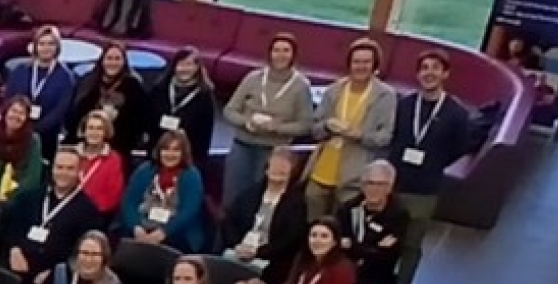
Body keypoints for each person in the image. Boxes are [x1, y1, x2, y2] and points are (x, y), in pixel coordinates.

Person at [391, 49, 470, 284]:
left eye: (435, 68)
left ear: (445, 74)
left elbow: (460, 147)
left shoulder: (456, 112)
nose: (429, 73)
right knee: (386, 239)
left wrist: (434, 162)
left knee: (411, 245)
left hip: (424, 190)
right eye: (424, 68)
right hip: (395, 184)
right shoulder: (404, 105)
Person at [307, 37, 395, 220]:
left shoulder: (385, 95)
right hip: (322, 169)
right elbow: (314, 129)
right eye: (356, 62)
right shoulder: (333, 90)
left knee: (343, 223)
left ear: (374, 65)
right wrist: (327, 126)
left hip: (355, 175)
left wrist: (359, 135)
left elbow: (385, 137)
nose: (361, 66)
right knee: (313, 221)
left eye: (366, 62)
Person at [225, 32, 316, 208]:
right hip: (243, 146)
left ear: (293, 55)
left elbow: (305, 125)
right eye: (276, 50)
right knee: (232, 197)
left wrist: (277, 128)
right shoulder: (253, 78)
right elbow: (229, 110)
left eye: (286, 50)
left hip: (274, 151)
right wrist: (246, 122)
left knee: (262, 199)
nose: (280, 55)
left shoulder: (301, 86)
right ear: (270, 53)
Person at [6, 149, 102, 284]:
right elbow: (11, 228)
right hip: (15, 267)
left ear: (79, 172)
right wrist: (14, 249)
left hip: (53, 277)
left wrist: (55, 272)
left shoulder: (89, 211)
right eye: (59, 167)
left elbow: (80, 253)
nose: (63, 173)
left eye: (70, 168)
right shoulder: (28, 198)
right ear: (52, 169)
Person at [220, 147, 309, 284]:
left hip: (271, 260)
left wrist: (258, 252)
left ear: (292, 172)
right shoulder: (249, 194)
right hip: (238, 251)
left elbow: (290, 239)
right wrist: (237, 245)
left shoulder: (296, 203)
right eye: (275, 166)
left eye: (282, 169)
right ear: (267, 168)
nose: (278, 170)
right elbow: (229, 222)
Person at [122, 130, 208, 253]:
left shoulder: (191, 175)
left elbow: (189, 211)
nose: (170, 154)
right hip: (142, 227)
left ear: (183, 153)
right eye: (166, 149)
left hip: (176, 232)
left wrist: (163, 232)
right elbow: (129, 202)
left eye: (176, 150)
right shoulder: (144, 170)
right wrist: (136, 228)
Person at [335, 160, 410, 284]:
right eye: (369, 183)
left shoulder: (398, 215)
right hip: (344, 277)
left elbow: (387, 255)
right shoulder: (347, 209)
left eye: (380, 184)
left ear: (389, 188)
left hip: (374, 282)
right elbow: (337, 246)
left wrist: (352, 246)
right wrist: (372, 247)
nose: (374, 189)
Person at [69, 39, 152, 159]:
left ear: (124, 62)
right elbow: (75, 115)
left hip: (119, 147)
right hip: (86, 144)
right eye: (109, 58)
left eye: (117, 59)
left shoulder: (133, 85)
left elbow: (141, 120)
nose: (113, 63)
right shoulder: (88, 82)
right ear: (102, 60)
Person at [4, 26, 75, 151]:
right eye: (42, 44)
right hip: (17, 130)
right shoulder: (20, 70)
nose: (46, 48)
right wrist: (19, 125)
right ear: (35, 46)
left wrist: (34, 130)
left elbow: (60, 111)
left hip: (47, 137)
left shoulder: (66, 77)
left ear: (57, 47)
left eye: (51, 44)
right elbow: (9, 100)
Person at [150, 46, 219, 170]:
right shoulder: (159, 89)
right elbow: (148, 119)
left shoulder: (205, 95)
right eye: (181, 64)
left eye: (189, 65)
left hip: (188, 157)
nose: (185, 69)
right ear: (174, 66)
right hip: (158, 153)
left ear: (197, 68)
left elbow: (205, 134)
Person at [0, 95, 43, 207]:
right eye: (13, 111)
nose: (16, 116)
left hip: (20, 196)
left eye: (21, 113)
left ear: (26, 118)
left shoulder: (34, 141)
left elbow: (32, 178)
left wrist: (8, 197)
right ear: (5, 113)